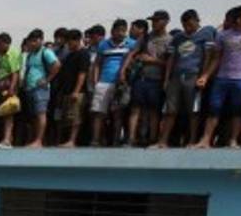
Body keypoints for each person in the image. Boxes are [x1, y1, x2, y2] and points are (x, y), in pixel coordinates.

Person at [198, 5, 241, 148]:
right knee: (214, 109)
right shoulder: (223, 35)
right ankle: (205, 139)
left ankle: (233, 140)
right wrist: (206, 76)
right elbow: (217, 58)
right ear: (239, 19)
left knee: (238, 111)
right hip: (222, 78)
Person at [154, 9, 217, 148]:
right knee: (170, 110)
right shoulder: (178, 37)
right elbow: (171, 59)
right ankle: (163, 141)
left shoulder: (206, 34)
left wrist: (203, 76)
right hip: (176, 76)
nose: (187, 28)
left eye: (189, 24)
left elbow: (208, 56)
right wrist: (167, 79)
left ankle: (192, 140)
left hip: (193, 75)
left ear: (196, 21)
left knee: (193, 110)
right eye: (184, 25)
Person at [122, 10, 172, 146]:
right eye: (153, 20)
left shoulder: (170, 40)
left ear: (166, 22)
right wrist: (123, 70)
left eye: (157, 20)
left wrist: (153, 60)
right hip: (141, 78)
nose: (153, 23)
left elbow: (170, 63)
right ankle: (131, 138)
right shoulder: (145, 38)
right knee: (135, 109)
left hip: (157, 80)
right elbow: (132, 53)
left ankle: (152, 139)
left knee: (154, 111)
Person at [90, 19, 137, 146]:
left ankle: (116, 141)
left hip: (121, 84)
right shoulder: (103, 44)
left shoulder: (132, 44)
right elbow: (97, 64)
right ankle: (95, 140)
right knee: (99, 113)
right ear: (112, 31)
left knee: (118, 114)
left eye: (124, 30)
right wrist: (96, 81)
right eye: (118, 30)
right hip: (104, 82)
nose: (121, 33)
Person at [21, 31, 60, 148]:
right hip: (30, 88)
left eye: (34, 41)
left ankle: (39, 140)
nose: (32, 44)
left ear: (40, 40)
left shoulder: (46, 52)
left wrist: (47, 80)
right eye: (30, 41)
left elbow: (57, 65)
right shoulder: (30, 55)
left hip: (40, 89)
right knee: (33, 115)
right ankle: (35, 139)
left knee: (41, 113)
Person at [55, 29, 91, 147]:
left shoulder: (83, 54)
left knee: (75, 116)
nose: (68, 45)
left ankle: (72, 140)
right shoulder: (70, 55)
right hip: (66, 90)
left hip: (77, 91)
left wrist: (76, 91)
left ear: (77, 40)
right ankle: (65, 140)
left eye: (69, 42)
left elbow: (82, 73)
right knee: (67, 117)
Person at [0, 32, 22, 148]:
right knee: (5, 113)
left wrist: (11, 89)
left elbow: (15, 72)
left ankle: (7, 140)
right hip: (2, 87)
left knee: (9, 114)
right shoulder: (3, 54)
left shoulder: (12, 53)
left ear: (5, 43)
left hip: (9, 88)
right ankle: (7, 138)